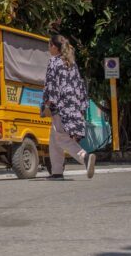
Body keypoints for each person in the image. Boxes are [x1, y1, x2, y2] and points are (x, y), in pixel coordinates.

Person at [41, 34, 96, 180]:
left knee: (61, 138)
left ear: (54, 46)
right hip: (73, 106)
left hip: (60, 105)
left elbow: (51, 84)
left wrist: (48, 103)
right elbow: (80, 86)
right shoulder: (71, 63)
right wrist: (82, 106)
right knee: (54, 140)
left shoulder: (54, 62)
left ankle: (84, 157)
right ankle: (57, 172)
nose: (48, 48)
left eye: (49, 45)